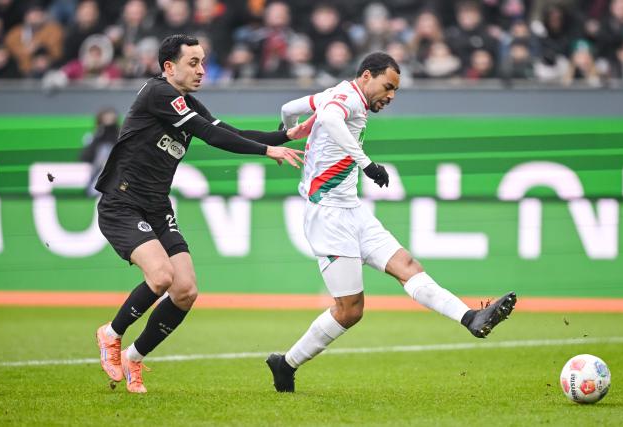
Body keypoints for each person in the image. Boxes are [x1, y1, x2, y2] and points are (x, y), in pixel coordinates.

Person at [267, 52, 516, 393]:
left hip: (352, 210)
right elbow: (329, 119)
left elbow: (291, 106)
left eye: (396, 90)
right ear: (366, 76)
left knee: (408, 266)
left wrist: (286, 128)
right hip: (327, 216)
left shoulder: (335, 94)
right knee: (350, 310)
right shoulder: (344, 100)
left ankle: (471, 318)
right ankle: (286, 364)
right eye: (388, 87)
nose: (391, 96)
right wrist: (366, 164)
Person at [95, 34, 310, 394]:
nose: (201, 70)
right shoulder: (158, 94)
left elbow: (227, 131)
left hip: (157, 205)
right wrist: (266, 151)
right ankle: (111, 334)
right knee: (161, 276)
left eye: (203, 62)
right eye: (193, 62)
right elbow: (210, 135)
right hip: (123, 202)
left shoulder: (185, 102)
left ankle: (134, 356)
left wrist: (284, 135)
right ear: (169, 67)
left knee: (185, 291)